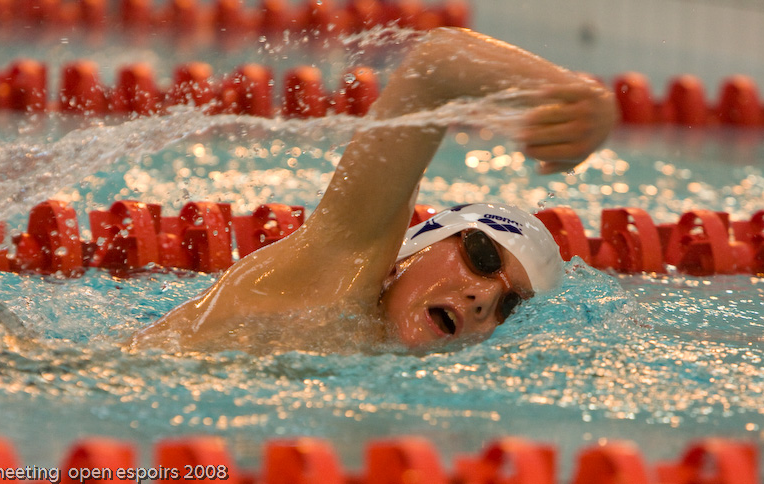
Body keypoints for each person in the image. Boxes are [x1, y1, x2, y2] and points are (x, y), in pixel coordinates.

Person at [133, 27, 617, 353]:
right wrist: (579, 96)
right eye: (481, 257)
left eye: (511, 305)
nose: (484, 298)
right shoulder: (334, 276)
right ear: (412, 249)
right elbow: (436, 65)